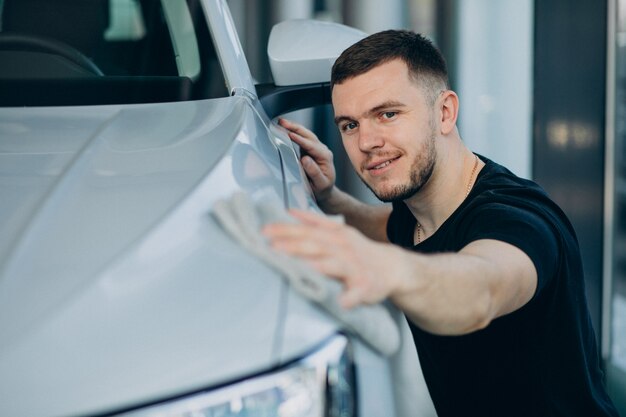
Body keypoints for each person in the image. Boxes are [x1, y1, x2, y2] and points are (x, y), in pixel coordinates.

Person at [262, 30, 619, 416]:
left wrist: (385, 270)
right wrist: (330, 199)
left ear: (445, 112)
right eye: (350, 125)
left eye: (387, 114)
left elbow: (481, 289)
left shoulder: (518, 217)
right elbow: (384, 227)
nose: (366, 142)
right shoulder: (417, 211)